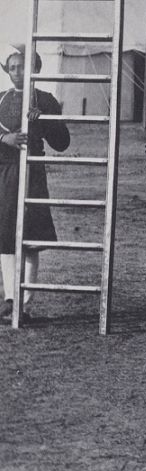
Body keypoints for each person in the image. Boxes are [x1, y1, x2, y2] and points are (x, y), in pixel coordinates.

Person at [0, 45, 70, 325]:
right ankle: (9, 301)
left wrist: (45, 119)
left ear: (36, 68)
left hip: (33, 173)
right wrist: (3, 140)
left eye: (24, 66)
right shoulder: (0, 100)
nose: (18, 72)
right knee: (5, 236)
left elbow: (62, 143)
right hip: (5, 173)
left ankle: (25, 304)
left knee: (29, 238)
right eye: (13, 67)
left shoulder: (46, 99)